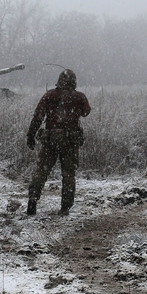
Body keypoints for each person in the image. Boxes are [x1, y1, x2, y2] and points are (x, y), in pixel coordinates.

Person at [26, 69, 91, 216]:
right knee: (68, 174)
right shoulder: (79, 97)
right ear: (74, 81)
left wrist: (31, 134)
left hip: (51, 139)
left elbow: (38, 116)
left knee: (41, 171)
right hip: (71, 140)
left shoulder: (50, 95)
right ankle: (65, 207)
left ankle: (33, 199)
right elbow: (86, 112)